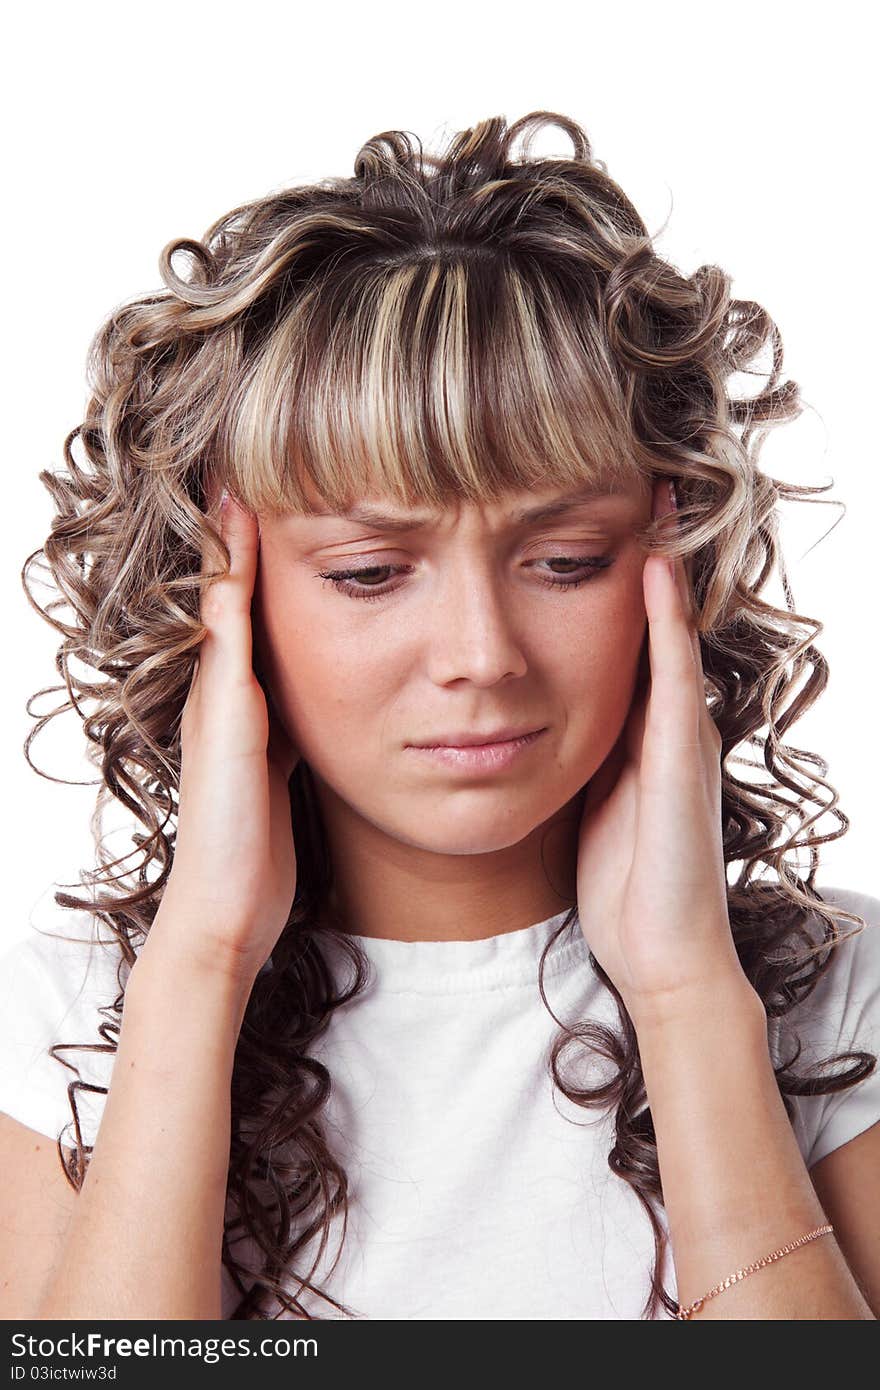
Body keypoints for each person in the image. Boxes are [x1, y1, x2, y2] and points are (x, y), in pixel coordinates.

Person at [1, 110, 878, 1321]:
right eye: (369, 571)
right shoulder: (62, 1019)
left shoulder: (844, 989)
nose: (481, 655)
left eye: (566, 559)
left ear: (674, 561)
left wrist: (684, 997)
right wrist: (198, 969)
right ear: (219, 598)